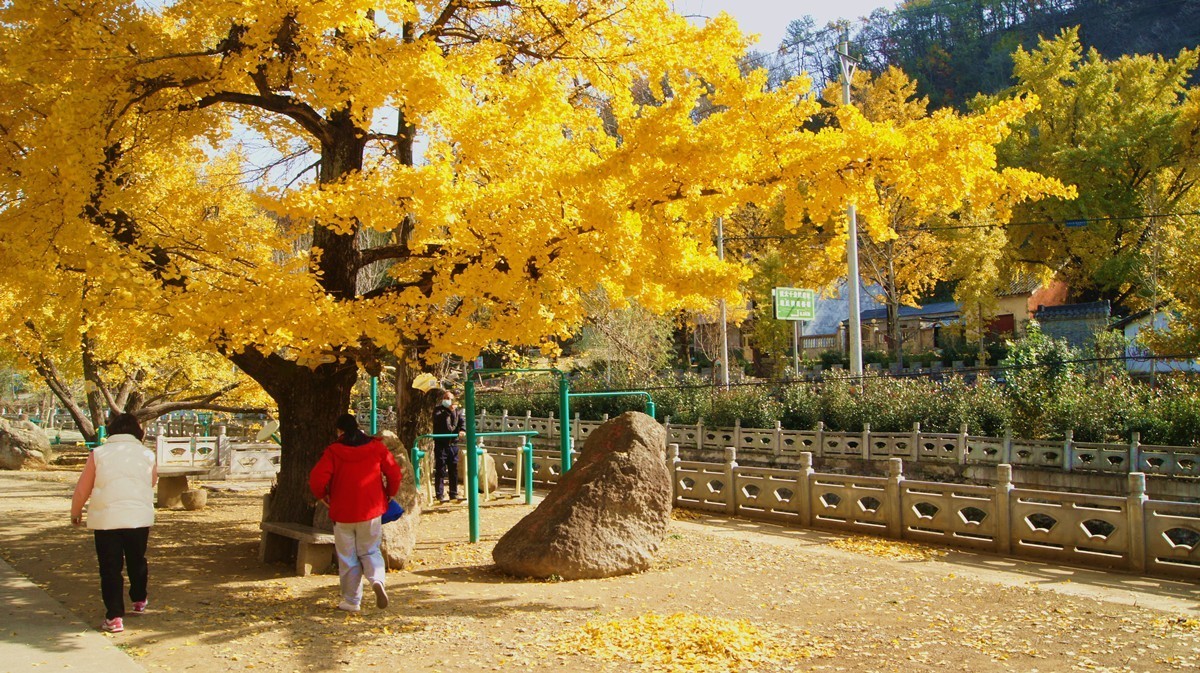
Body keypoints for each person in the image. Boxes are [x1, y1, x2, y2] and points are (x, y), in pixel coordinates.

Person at [70, 413, 158, 634]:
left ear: (111, 431)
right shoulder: (147, 454)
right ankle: (139, 599)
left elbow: (83, 487)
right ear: (137, 432)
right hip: (137, 517)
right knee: (137, 560)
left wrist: (76, 510)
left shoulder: (98, 454)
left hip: (106, 519)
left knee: (110, 568)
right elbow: (153, 480)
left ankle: (114, 616)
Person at [309, 413, 401, 613]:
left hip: (342, 512)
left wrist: (321, 496)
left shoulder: (333, 451)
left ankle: (351, 601)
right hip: (371, 509)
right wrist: (390, 494)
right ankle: (377, 579)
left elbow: (316, 478)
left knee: (347, 557)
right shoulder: (377, 447)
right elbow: (394, 473)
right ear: (358, 427)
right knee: (370, 550)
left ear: (340, 431)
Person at [431, 389, 466, 503]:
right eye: (446, 398)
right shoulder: (438, 410)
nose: (448, 401)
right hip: (441, 444)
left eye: (450, 399)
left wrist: (462, 430)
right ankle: (439, 494)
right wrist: (448, 412)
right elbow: (439, 421)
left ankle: (453, 493)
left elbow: (462, 423)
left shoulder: (458, 412)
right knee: (440, 469)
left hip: (453, 444)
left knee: (453, 469)